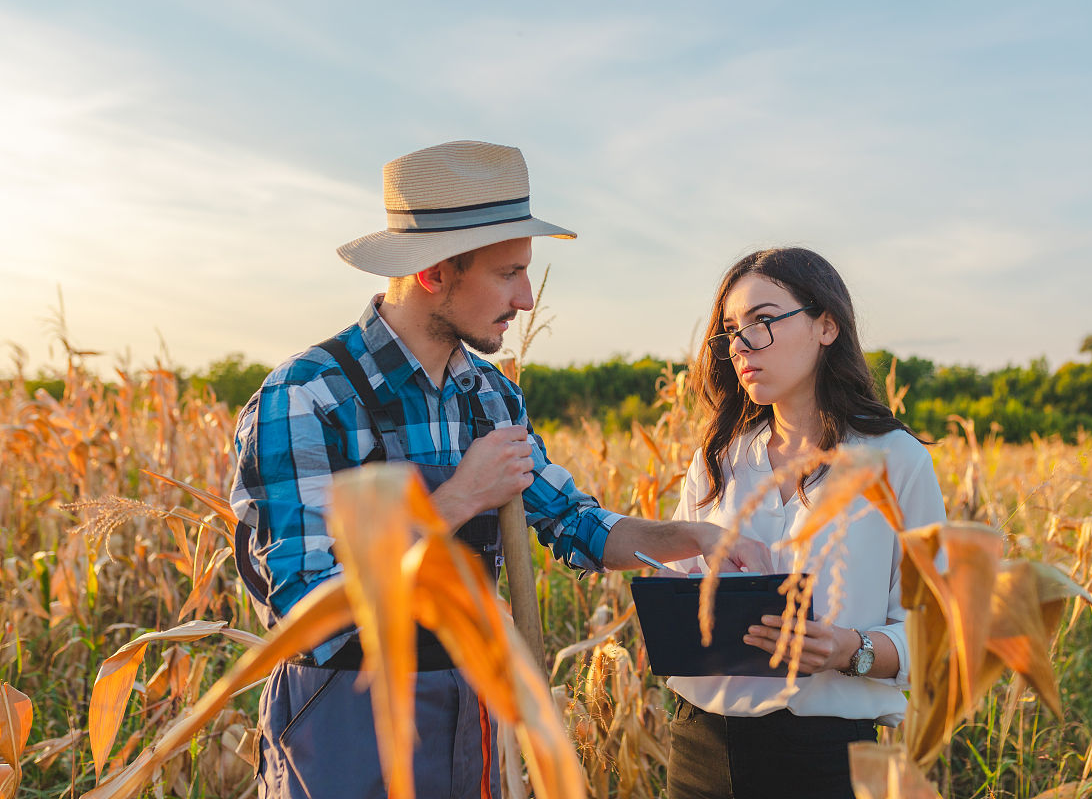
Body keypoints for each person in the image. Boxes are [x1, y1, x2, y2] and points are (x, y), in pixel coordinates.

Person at [229, 140, 768, 799]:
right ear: (434, 272)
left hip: (474, 716)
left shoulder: (490, 395)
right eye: (509, 272)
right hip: (347, 724)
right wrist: (456, 500)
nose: (526, 298)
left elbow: (573, 523)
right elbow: (307, 607)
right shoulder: (307, 396)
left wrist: (688, 539)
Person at [663, 248, 946, 799]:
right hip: (701, 746)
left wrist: (848, 648)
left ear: (826, 325)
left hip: (829, 755)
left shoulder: (896, 461)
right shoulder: (718, 460)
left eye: (763, 321)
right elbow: (680, 588)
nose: (741, 344)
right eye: (731, 330)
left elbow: (936, 632)